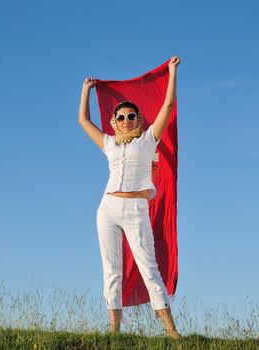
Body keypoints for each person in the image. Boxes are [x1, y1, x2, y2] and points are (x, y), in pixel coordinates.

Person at [78, 56, 182, 339]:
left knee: (150, 269)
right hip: (107, 208)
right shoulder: (109, 143)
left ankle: (172, 333)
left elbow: (168, 106)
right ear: (114, 122)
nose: (126, 121)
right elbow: (83, 121)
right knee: (112, 271)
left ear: (138, 120)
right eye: (121, 117)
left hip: (136, 209)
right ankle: (114, 332)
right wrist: (86, 89)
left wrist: (171, 72)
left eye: (131, 117)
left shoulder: (148, 140)